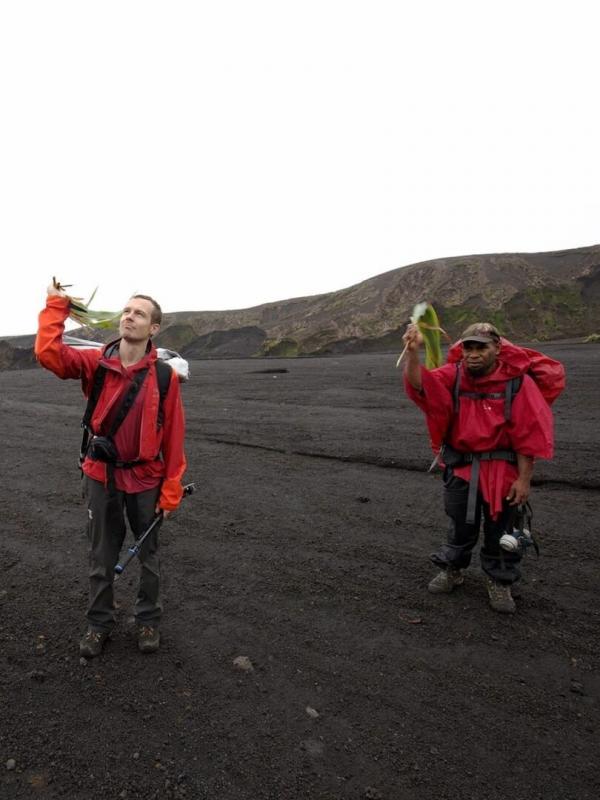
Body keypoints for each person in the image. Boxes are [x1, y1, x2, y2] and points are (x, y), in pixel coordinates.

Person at [35, 284, 186, 655]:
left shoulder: (164, 376)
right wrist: (56, 306)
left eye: (139, 313)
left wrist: (172, 487)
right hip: (101, 476)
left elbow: (173, 435)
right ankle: (98, 623)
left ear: (153, 328)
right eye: (127, 311)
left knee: (149, 556)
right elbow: (48, 353)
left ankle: (148, 621)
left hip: (146, 479)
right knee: (101, 555)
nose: (129, 317)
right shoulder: (96, 363)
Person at [402, 321, 564, 613]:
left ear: (497, 348)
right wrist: (413, 353)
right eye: (468, 348)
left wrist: (524, 480)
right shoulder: (454, 375)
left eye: (481, 347)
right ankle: (453, 569)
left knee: (501, 529)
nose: (473, 354)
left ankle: (500, 581)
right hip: (461, 467)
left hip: (503, 472)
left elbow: (528, 434)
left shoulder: (517, 382)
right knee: (459, 526)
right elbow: (420, 384)